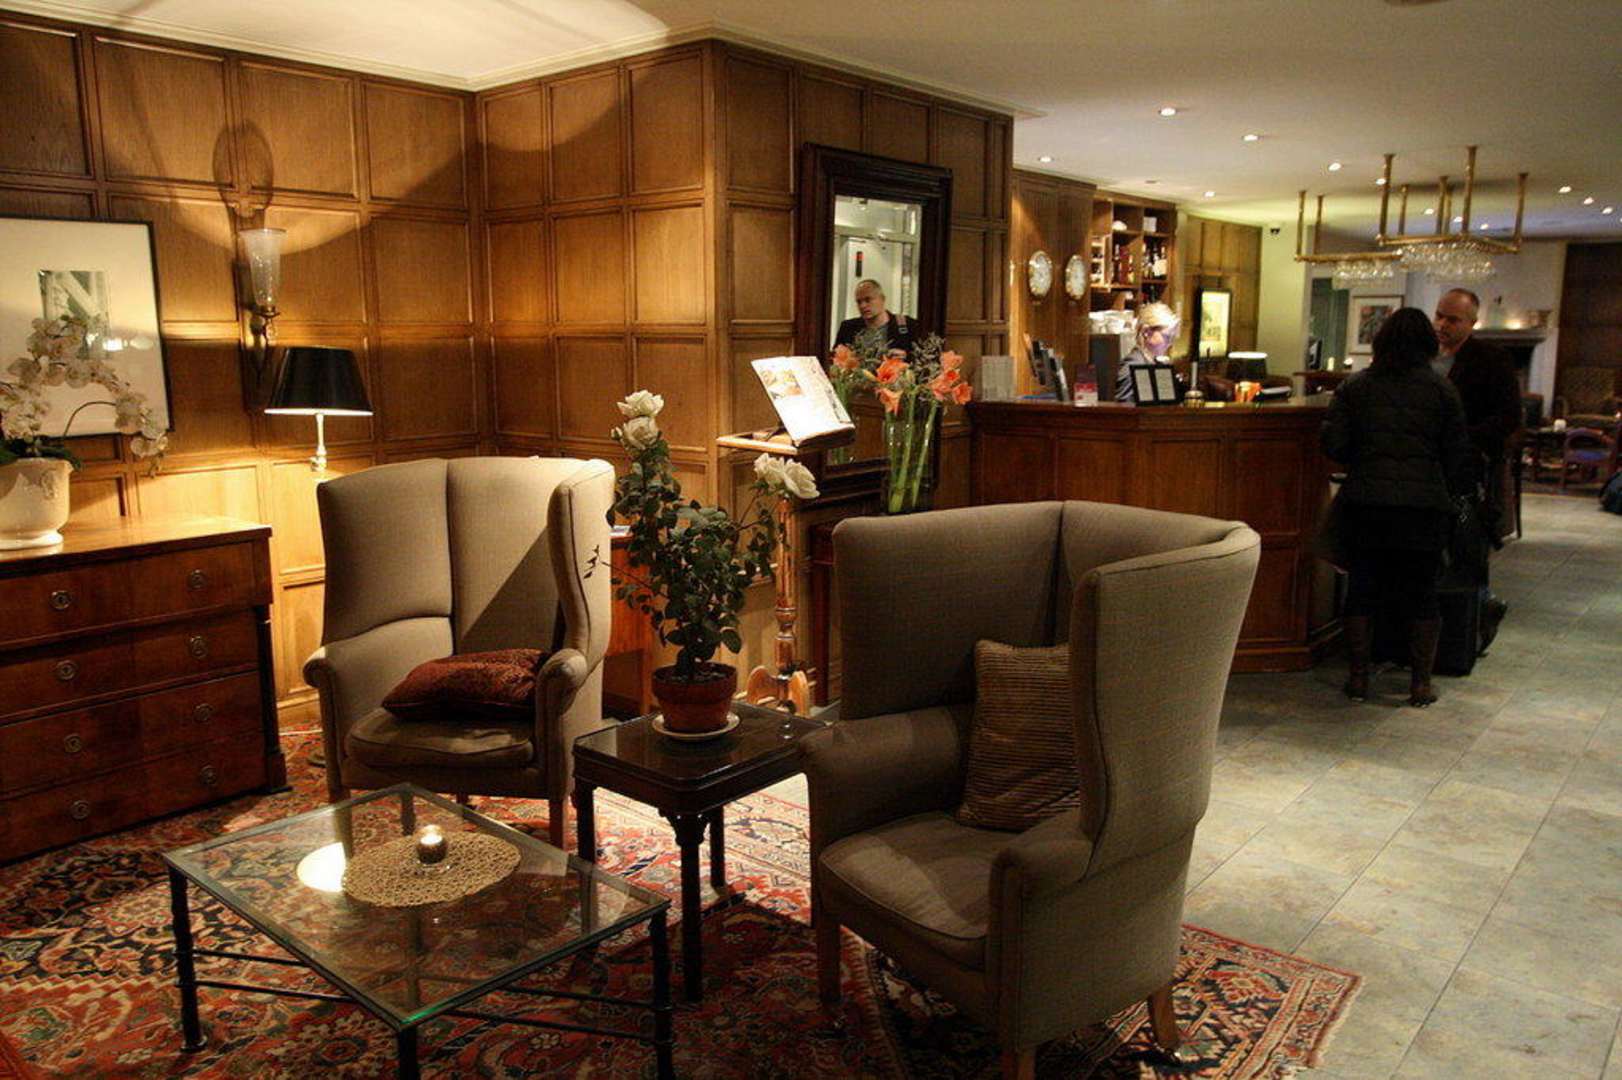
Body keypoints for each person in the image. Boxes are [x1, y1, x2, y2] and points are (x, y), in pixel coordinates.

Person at [1322, 307, 1474, 707]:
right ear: (1427, 344)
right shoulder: (1442, 390)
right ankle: (1420, 684)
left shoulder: (1355, 387)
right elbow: (1457, 454)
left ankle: (1358, 679)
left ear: (1381, 341)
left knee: (1361, 590)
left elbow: (1335, 445)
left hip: (1366, 503)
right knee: (1422, 594)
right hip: (1424, 507)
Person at [1433, 287, 1521, 649]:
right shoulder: (1424, 356)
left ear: (1471, 322)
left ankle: (1476, 616)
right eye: (1439, 316)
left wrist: (1464, 439)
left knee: (1468, 544)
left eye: (1452, 319)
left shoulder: (1491, 359)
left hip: (1471, 466)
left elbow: (1509, 416)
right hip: (1431, 465)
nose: (1442, 325)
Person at [1114, 301, 1179, 402]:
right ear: (1146, 332)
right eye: (1166, 336)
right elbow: (1123, 408)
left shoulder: (1153, 363)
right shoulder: (1133, 365)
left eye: (1172, 338)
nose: (1170, 343)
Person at [834, 279, 916, 356]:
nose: (863, 306)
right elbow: (835, 358)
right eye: (859, 302)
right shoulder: (848, 328)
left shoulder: (906, 325)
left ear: (882, 299)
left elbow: (919, 357)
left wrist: (905, 357)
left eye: (868, 300)